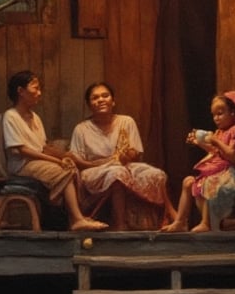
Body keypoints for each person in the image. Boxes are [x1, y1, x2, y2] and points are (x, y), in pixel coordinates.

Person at [2, 70, 107, 232]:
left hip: (37, 162)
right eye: (35, 88)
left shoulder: (35, 117)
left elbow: (43, 147)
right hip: (22, 165)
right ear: (21, 91)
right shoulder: (11, 116)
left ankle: (76, 217)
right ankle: (77, 219)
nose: (39, 93)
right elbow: (22, 150)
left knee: (70, 167)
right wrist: (57, 161)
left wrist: (65, 157)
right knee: (60, 170)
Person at [69, 82, 174, 230]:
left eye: (105, 96)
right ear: (89, 104)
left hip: (124, 165)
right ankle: (120, 224)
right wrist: (103, 164)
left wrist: (127, 156)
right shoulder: (81, 129)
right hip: (93, 171)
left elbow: (135, 153)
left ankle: (166, 219)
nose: (101, 100)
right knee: (117, 173)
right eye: (95, 98)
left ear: (113, 101)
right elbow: (77, 161)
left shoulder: (126, 122)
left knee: (156, 174)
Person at [161, 91, 235, 233]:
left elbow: (233, 156)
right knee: (188, 182)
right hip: (221, 171)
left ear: (232, 112)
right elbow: (215, 152)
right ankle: (180, 221)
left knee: (209, 182)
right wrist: (199, 142)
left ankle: (207, 223)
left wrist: (215, 141)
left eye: (220, 113)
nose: (216, 118)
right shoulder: (220, 132)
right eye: (214, 115)